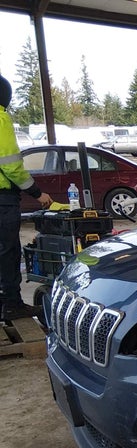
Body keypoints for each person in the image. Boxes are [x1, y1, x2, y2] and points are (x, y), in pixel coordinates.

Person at [0, 73, 52, 321]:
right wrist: (37, 193)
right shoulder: (0, 118)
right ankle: (11, 304)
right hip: (2, 200)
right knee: (7, 252)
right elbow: (10, 165)